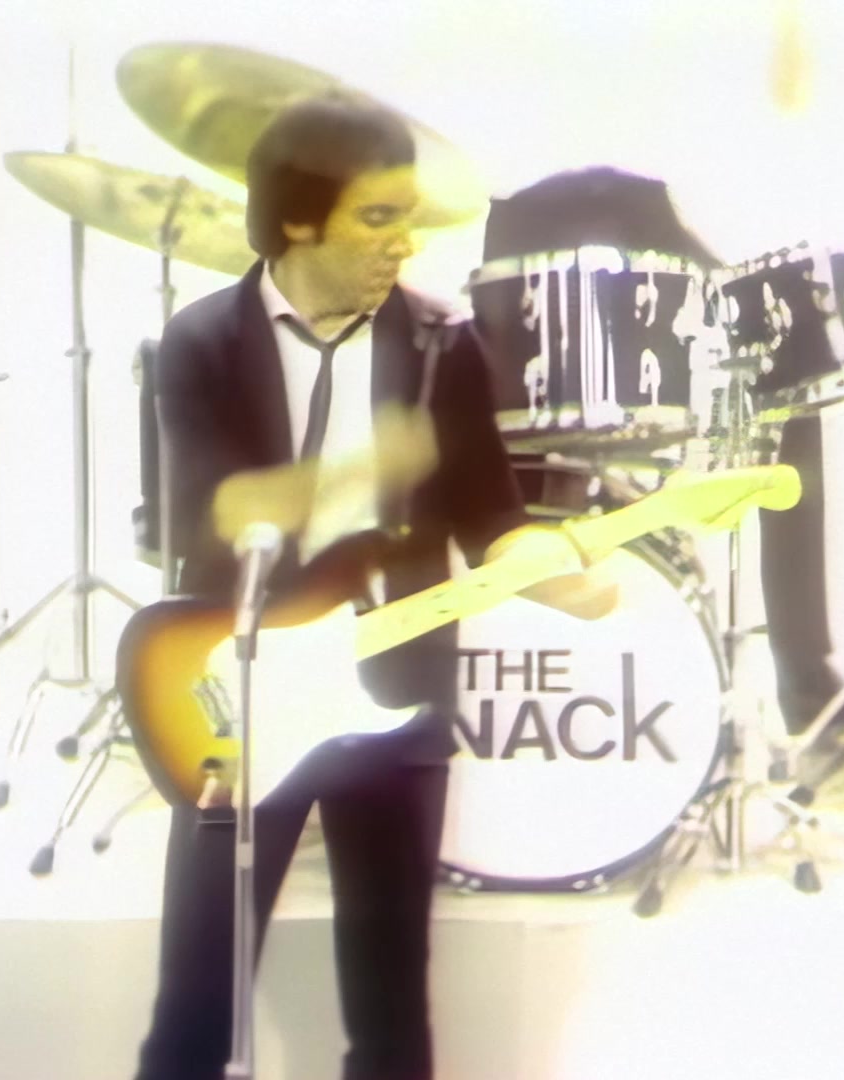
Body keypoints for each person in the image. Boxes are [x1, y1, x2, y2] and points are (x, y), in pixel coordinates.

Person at [136, 94, 614, 1080]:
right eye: (377, 218)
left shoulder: (444, 346)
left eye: (410, 218)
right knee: (195, 1006)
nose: (405, 244)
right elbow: (211, 515)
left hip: (397, 692)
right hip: (242, 687)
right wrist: (368, 465)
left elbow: (491, 521)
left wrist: (558, 580)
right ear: (299, 218)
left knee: (393, 1015)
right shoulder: (201, 342)